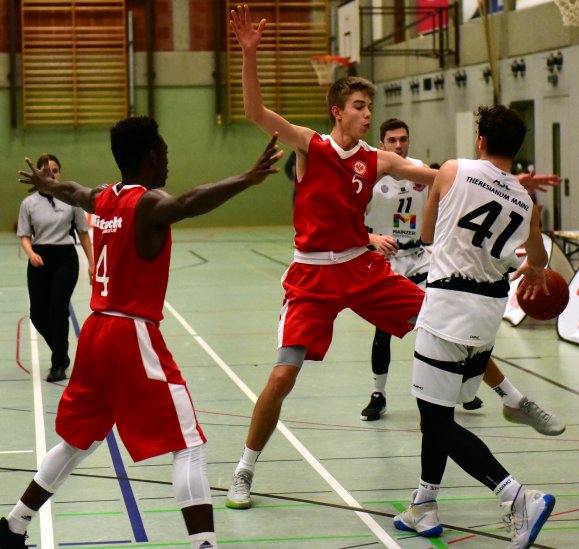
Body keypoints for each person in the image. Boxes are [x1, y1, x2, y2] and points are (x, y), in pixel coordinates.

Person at [0, 116, 283, 549]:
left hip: (95, 332)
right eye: (165, 151)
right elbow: (189, 203)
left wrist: (49, 184)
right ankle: (204, 545)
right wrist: (247, 177)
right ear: (151, 156)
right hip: (131, 332)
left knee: (78, 441)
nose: (168, 159)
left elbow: (73, 190)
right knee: (189, 445)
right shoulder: (147, 203)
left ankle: (14, 525)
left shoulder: (103, 199)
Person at [225, 4, 438, 510]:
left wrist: (497, 180)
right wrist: (250, 54)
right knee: (283, 376)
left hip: (361, 267)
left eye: (370, 106)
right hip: (312, 277)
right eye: (361, 106)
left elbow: (435, 177)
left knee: (438, 322)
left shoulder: (378, 158)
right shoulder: (311, 146)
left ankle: (513, 397)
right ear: (338, 111)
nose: (368, 113)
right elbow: (256, 114)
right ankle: (244, 467)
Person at [393, 105, 555, 549]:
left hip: (447, 308)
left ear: (480, 139)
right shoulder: (527, 202)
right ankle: (423, 505)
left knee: (436, 420)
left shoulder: (451, 170)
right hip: (487, 318)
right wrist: (537, 271)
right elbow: (538, 263)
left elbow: (426, 235)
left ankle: (519, 497)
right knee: (438, 408)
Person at [360, 118, 565, 440]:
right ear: (382, 143)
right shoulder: (370, 170)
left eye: (403, 139)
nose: (399, 145)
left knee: (443, 354)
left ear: (480, 140)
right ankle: (381, 393)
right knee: (421, 336)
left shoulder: (425, 169)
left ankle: (486, 394)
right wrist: (371, 237)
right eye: (392, 140)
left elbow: (444, 210)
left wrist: (508, 182)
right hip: (391, 261)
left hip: (428, 262)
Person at [17, 154, 94, 382]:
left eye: (56, 170)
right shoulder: (28, 204)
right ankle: (61, 351)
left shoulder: (71, 200)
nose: (52, 175)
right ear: (38, 175)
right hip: (40, 258)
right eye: (46, 171)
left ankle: (58, 363)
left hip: (65, 259)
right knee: (38, 315)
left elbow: (83, 232)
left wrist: (91, 263)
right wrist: (31, 254)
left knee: (57, 309)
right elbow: (24, 235)